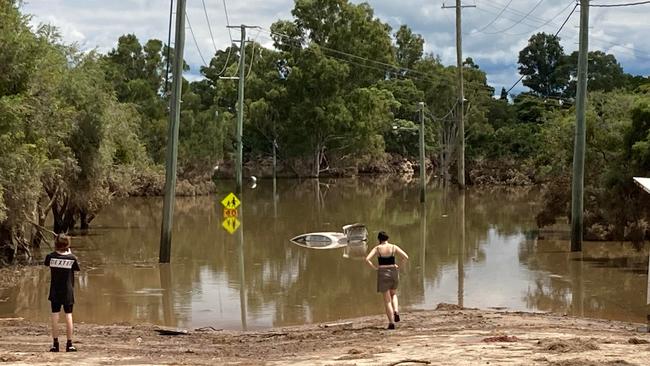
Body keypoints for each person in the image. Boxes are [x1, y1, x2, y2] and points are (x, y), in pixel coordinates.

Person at [365, 231, 409, 329]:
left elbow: (367, 259)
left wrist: (375, 268)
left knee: (387, 300)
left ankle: (391, 322)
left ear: (379, 239)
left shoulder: (377, 248)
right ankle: (396, 311)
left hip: (382, 272)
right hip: (393, 271)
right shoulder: (393, 247)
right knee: (393, 294)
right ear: (387, 238)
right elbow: (406, 257)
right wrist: (399, 267)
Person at [44, 233, 80, 352]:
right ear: (67, 244)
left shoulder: (50, 257)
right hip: (68, 291)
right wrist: (69, 253)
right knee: (68, 315)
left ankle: (55, 344)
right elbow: (76, 268)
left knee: (55, 315)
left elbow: (47, 264)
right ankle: (69, 344)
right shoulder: (72, 258)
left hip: (55, 290)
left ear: (56, 244)